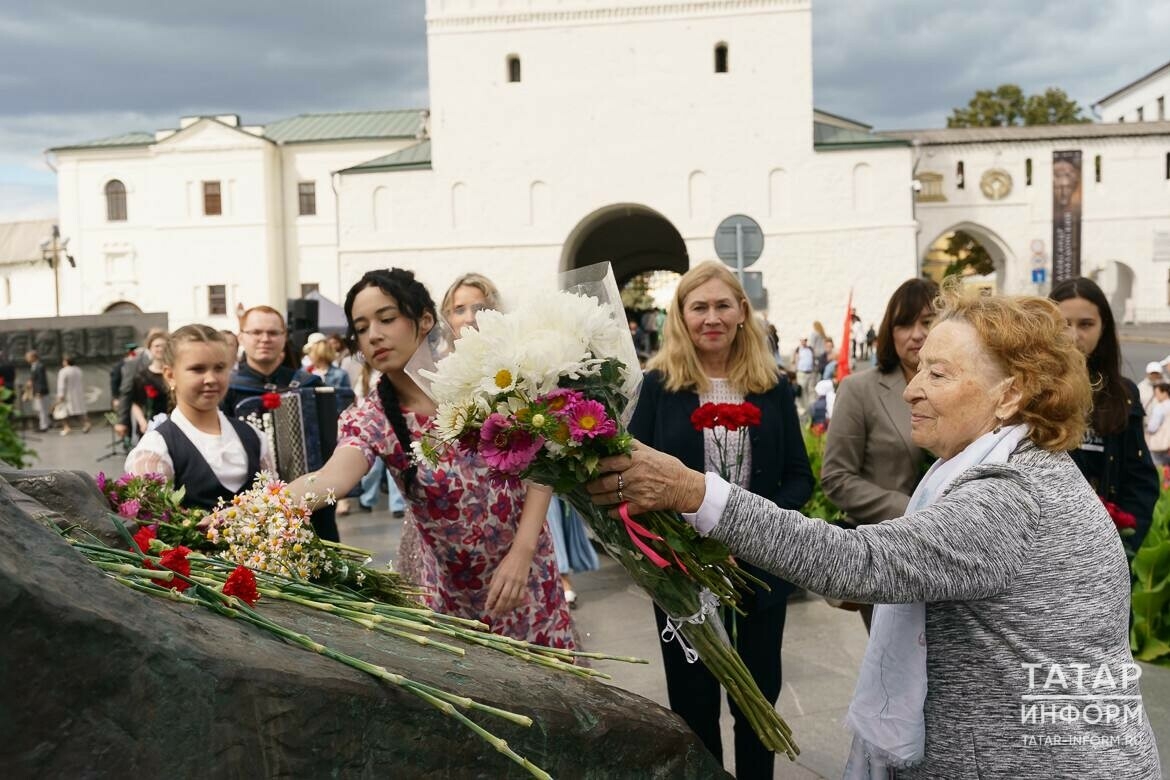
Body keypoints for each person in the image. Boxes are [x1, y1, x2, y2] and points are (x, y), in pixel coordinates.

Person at [590, 290, 1160, 778]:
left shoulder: (1012, 493)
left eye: (939, 374)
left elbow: (860, 560)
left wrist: (694, 491)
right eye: (920, 369)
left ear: (1010, 394)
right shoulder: (1015, 467)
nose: (913, 389)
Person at [287, 268, 573, 648]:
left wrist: (522, 553)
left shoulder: (483, 379)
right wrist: (256, 508)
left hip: (527, 577)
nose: (374, 334)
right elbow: (331, 478)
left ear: (424, 319)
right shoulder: (373, 418)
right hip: (454, 600)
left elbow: (543, 463)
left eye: (387, 319)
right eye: (361, 327)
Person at [629, 260, 813, 779]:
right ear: (681, 317)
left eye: (722, 305)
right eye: (699, 306)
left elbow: (800, 477)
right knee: (693, 705)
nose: (711, 317)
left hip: (759, 569)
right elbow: (634, 477)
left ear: (742, 312)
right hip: (681, 573)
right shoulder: (657, 388)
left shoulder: (771, 386)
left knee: (758, 699)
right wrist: (685, 540)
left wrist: (753, 526)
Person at [821, 277, 938, 630]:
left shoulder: (966, 387)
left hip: (957, 555)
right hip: (891, 556)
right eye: (904, 323)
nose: (916, 334)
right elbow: (837, 478)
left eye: (928, 322)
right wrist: (910, 510)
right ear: (890, 330)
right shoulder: (859, 389)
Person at [1050, 277, 1159, 554]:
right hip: (1045, 552)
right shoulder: (1029, 392)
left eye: (1086, 324)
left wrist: (1124, 543)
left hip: (1105, 549)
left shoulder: (1123, 394)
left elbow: (1140, 481)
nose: (1074, 336)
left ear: (1103, 327)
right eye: (1063, 324)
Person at [124, 325, 275, 510]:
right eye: (198, 369)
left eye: (219, 368)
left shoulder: (253, 436)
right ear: (170, 375)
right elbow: (152, 524)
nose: (211, 378)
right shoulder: (156, 449)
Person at [222, 305, 320, 416]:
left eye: (273, 333)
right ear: (241, 338)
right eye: (256, 332)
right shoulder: (225, 389)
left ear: (285, 337)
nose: (265, 339)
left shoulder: (310, 385)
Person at [130, 331, 170, 436]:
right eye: (157, 346)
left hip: (173, 425)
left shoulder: (175, 373)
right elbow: (135, 403)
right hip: (150, 426)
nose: (160, 349)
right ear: (150, 348)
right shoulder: (141, 376)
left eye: (164, 346)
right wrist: (142, 422)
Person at [55, 354, 89, 435]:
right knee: (79, 411)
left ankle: (66, 427)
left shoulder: (63, 371)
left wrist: (60, 395)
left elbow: (61, 385)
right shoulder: (78, 370)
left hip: (67, 395)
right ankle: (86, 423)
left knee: (61, 412)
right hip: (77, 394)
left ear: (66, 362)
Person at [25, 350, 50, 432]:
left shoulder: (39, 366)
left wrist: (40, 391)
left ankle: (43, 426)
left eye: (28, 357)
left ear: (33, 357)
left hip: (40, 391)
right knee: (39, 409)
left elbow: (41, 380)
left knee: (42, 409)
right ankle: (45, 423)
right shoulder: (34, 366)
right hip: (36, 391)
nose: (26, 359)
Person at [793, 337, 815, 409]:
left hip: (810, 373)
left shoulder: (810, 349)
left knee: (811, 391)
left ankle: (811, 408)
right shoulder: (798, 350)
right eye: (802, 340)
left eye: (805, 340)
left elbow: (813, 359)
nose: (804, 342)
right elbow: (795, 361)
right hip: (801, 373)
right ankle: (802, 409)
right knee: (802, 392)